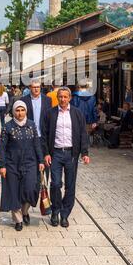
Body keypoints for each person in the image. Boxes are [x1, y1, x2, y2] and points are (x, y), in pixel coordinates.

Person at [41, 87, 90, 228]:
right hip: (55, 153)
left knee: (70, 186)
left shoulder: (77, 113)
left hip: (71, 154)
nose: (62, 99)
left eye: (65, 97)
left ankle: (65, 214)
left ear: (70, 98)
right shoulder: (50, 113)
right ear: (57, 97)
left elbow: (83, 134)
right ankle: (55, 211)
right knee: (55, 183)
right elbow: (44, 135)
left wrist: (85, 153)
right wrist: (46, 153)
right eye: (60, 97)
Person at [0, 101, 45, 231]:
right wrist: (2, 165)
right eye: (17, 110)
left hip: (30, 163)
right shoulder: (7, 127)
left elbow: (37, 144)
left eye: (22, 110)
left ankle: (25, 211)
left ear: (26, 111)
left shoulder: (31, 125)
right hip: (12, 164)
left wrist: (41, 161)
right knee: (14, 191)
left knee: (30, 189)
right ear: (13, 112)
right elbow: (2, 147)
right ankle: (18, 219)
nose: (20, 113)